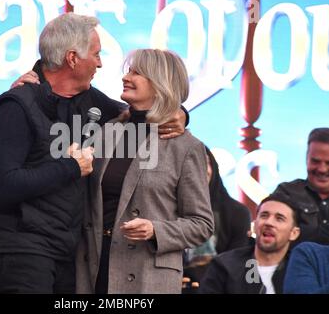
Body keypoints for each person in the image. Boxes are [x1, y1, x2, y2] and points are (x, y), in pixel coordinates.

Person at [0, 13, 187, 294]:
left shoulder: (90, 101)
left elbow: (139, 112)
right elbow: (4, 186)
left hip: (67, 253)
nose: (101, 63)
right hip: (22, 250)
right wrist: (70, 167)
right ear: (72, 58)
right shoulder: (15, 107)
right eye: (96, 54)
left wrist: (180, 113)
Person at [75, 49, 214, 294]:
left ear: (162, 83)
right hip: (93, 269)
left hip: (146, 278)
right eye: (128, 71)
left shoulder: (186, 147)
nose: (126, 77)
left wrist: (155, 229)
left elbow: (201, 224)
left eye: (137, 73)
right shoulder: (107, 131)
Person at [199, 192, 301, 294]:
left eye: (279, 218)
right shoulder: (225, 266)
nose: (269, 222)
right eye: (264, 216)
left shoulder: (302, 271)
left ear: (294, 233)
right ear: (255, 225)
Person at [183, 146, 251, 286]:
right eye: (192, 163)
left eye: (205, 162)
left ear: (213, 167)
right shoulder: (164, 208)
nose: (199, 169)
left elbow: (235, 263)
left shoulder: (237, 213)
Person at [273, 127, 329, 245]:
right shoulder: (286, 193)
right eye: (315, 161)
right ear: (306, 159)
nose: (322, 169)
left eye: (328, 163)